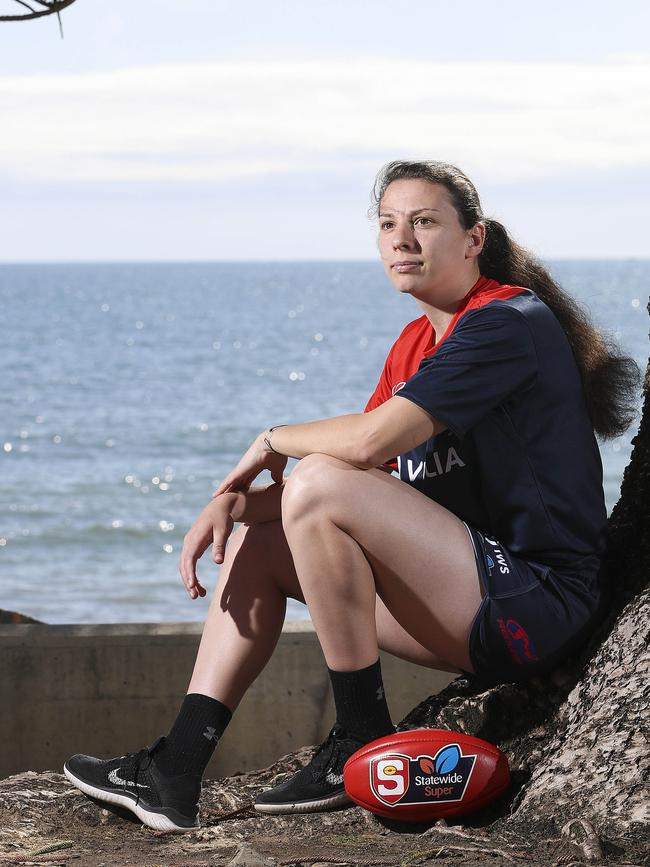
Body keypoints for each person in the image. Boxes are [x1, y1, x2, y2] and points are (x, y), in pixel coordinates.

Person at [63, 160, 639, 832]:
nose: (403, 238)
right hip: (469, 597)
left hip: (539, 601)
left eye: (425, 221)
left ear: (473, 239)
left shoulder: (509, 322)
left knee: (313, 478)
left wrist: (272, 439)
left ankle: (359, 738)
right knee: (263, 536)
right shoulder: (416, 344)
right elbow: (361, 480)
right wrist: (231, 505)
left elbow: (361, 449)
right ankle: (174, 769)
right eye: (389, 224)